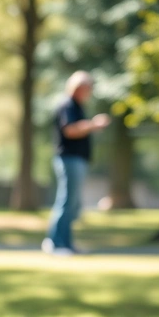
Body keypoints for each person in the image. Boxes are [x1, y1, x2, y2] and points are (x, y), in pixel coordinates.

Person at [43, 70, 110, 256]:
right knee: (66, 202)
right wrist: (93, 125)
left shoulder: (77, 106)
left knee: (73, 204)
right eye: (88, 88)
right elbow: (70, 131)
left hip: (77, 159)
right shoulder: (67, 105)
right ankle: (56, 243)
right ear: (79, 88)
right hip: (69, 158)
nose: (89, 92)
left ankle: (67, 243)